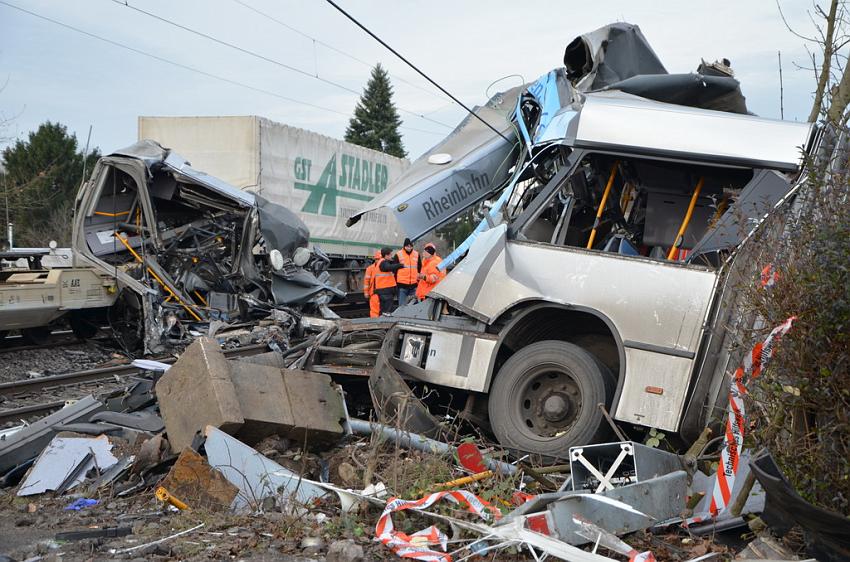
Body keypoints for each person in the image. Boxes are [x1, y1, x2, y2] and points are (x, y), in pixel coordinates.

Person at [375, 247, 404, 314]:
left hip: (383, 291)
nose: (392, 256)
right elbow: (388, 267)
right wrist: (400, 265)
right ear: (386, 255)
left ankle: (382, 322)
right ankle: (385, 323)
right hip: (385, 291)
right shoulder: (383, 263)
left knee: (383, 309)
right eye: (390, 255)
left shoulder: (382, 262)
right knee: (387, 310)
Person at [395, 238, 420, 306]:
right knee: (402, 306)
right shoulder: (398, 254)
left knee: (413, 306)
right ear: (404, 246)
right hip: (402, 285)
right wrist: (396, 283)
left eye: (410, 246)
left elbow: (419, 267)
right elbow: (395, 270)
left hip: (414, 284)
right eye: (407, 246)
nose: (409, 248)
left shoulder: (417, 254)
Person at [362, 250, 382, 318]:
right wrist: (366, 292)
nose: (378, 261)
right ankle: (375, 324)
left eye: (379, 259)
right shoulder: (370, 269)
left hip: (383, 293)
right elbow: (366, 281)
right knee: (374, 311)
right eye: (377, 259)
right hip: (374, 293)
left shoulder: (385, 268)